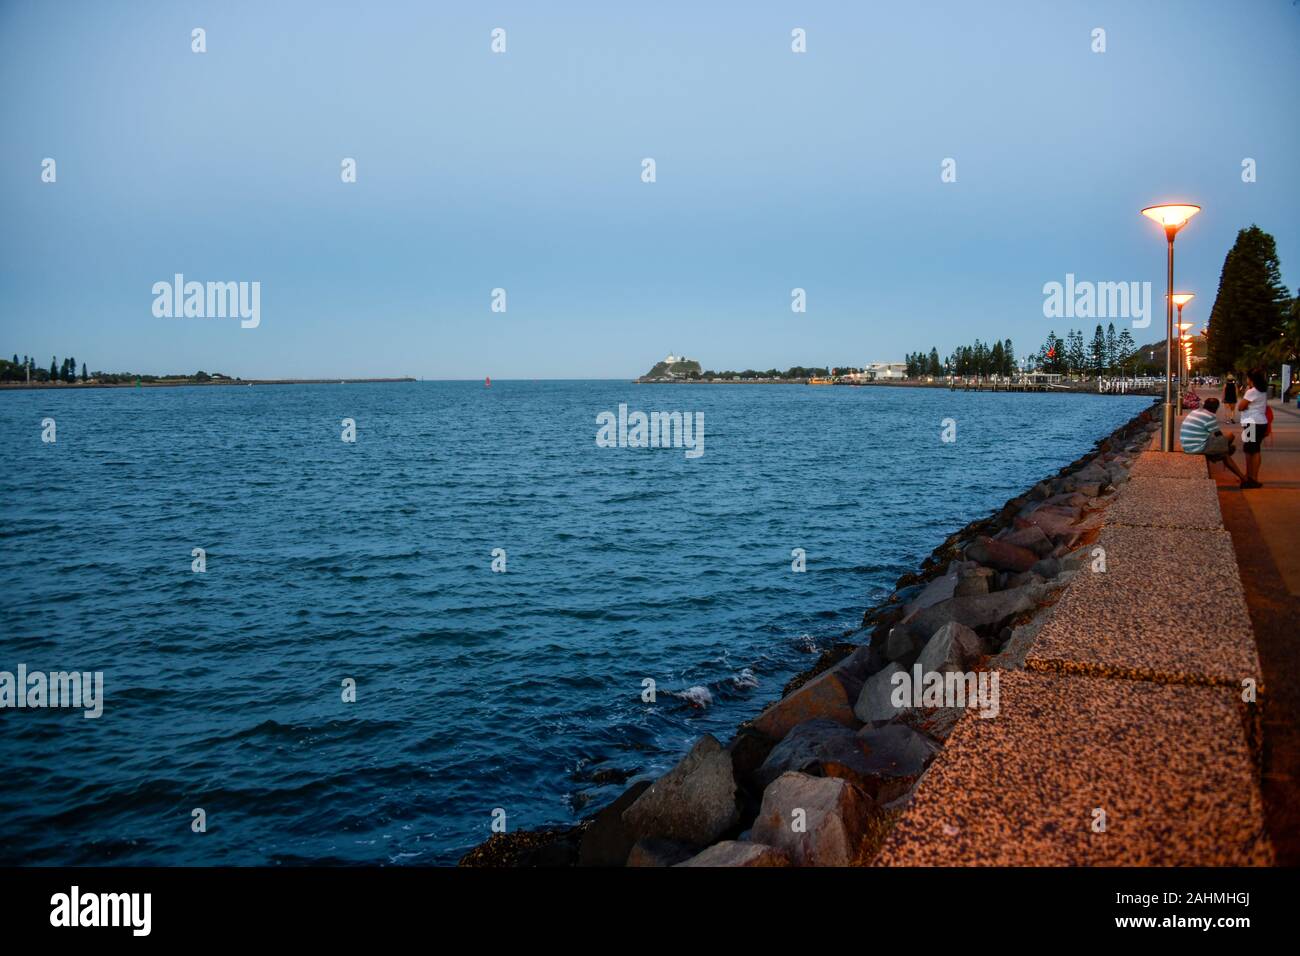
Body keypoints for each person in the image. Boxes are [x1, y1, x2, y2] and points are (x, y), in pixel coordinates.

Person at [1180, 398, 1247, 483]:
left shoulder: (1195, 412)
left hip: (1187, 446)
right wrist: (1225, 445)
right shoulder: (1210, 416)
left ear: (1204, 405)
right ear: (1216, 408)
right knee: (1230, 436)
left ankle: (1222, 453)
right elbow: (1218, 435)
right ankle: (1242, 477)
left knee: (1224, 453)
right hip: (1197, 447)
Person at [1237, 369, 1269, 488]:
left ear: (1251, 379)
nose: (1246, 380)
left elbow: (1240, 407)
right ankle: (1250, 477)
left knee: (1251, 451)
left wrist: (1246, 394)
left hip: (1252, 422)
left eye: (1247, 378)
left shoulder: (1252, 392)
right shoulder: (1262, 391)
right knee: (1254, 450)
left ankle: (1252, 478)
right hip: (1260, 422)